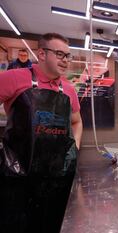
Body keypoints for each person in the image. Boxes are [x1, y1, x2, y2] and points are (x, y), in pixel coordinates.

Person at [0, 33, 83, 233]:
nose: (65, 60)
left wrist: (74, 151)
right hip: (18, 176)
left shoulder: (69, 90)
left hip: (56, 179)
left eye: (67, 56)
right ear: (42, 54)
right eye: (59, 54)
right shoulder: (14, 77)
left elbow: (77, 122)